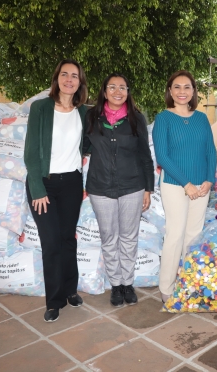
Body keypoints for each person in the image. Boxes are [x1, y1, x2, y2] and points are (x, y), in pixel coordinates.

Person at [24, 59, 89, 322]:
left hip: (72, 183)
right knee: (50, 242)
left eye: (75, 76)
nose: (69, 79)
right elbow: (30, 153)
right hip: (44, 184)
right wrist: (38, 188)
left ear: (80, 82)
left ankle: (70, 290)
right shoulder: (41, 108)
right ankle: (54, 301)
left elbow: (90, 144)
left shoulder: (84, 112)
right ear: (57, 78)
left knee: (67, 239)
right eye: (65, 74)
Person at [84, 73, 154, 307]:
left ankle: (127, 283)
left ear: (128, 92)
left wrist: (148, 189)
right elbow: (82, 146)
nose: (117, 91)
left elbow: (145, 155)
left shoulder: (136, 119)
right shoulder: (92, 116)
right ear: (104, 92)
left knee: (128, 237)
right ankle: (115, 285)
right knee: (109, 237)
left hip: (132, 186)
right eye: (112, 87)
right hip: (100, 187)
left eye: (122, 87)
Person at [153, 70, 217, 303]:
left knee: (194, 235)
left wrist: (209, 179)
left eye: (187, 87)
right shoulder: (163, 118)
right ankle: (167, 287)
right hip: (174, 183)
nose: (182, 92)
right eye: (177, 87)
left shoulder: (201, 118)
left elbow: (210, 150)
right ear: (170, 91)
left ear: (193, 91)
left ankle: (190, 281)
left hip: (202, 185)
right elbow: (162, 156)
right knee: (175, 234)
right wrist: (187, 184)